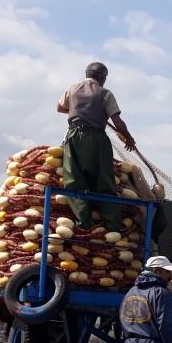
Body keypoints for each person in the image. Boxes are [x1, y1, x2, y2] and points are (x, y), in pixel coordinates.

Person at [57, 62, 136, 232]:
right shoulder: (106, 94)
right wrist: (129, 138)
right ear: (103, 78)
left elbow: (60, 108)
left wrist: (78, 111)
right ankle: (113, 227)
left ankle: (83, 224)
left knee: (74, 180)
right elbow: (118, 123)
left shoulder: (72, 89)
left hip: (74, 136)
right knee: (104, 182)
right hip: (97, 139)